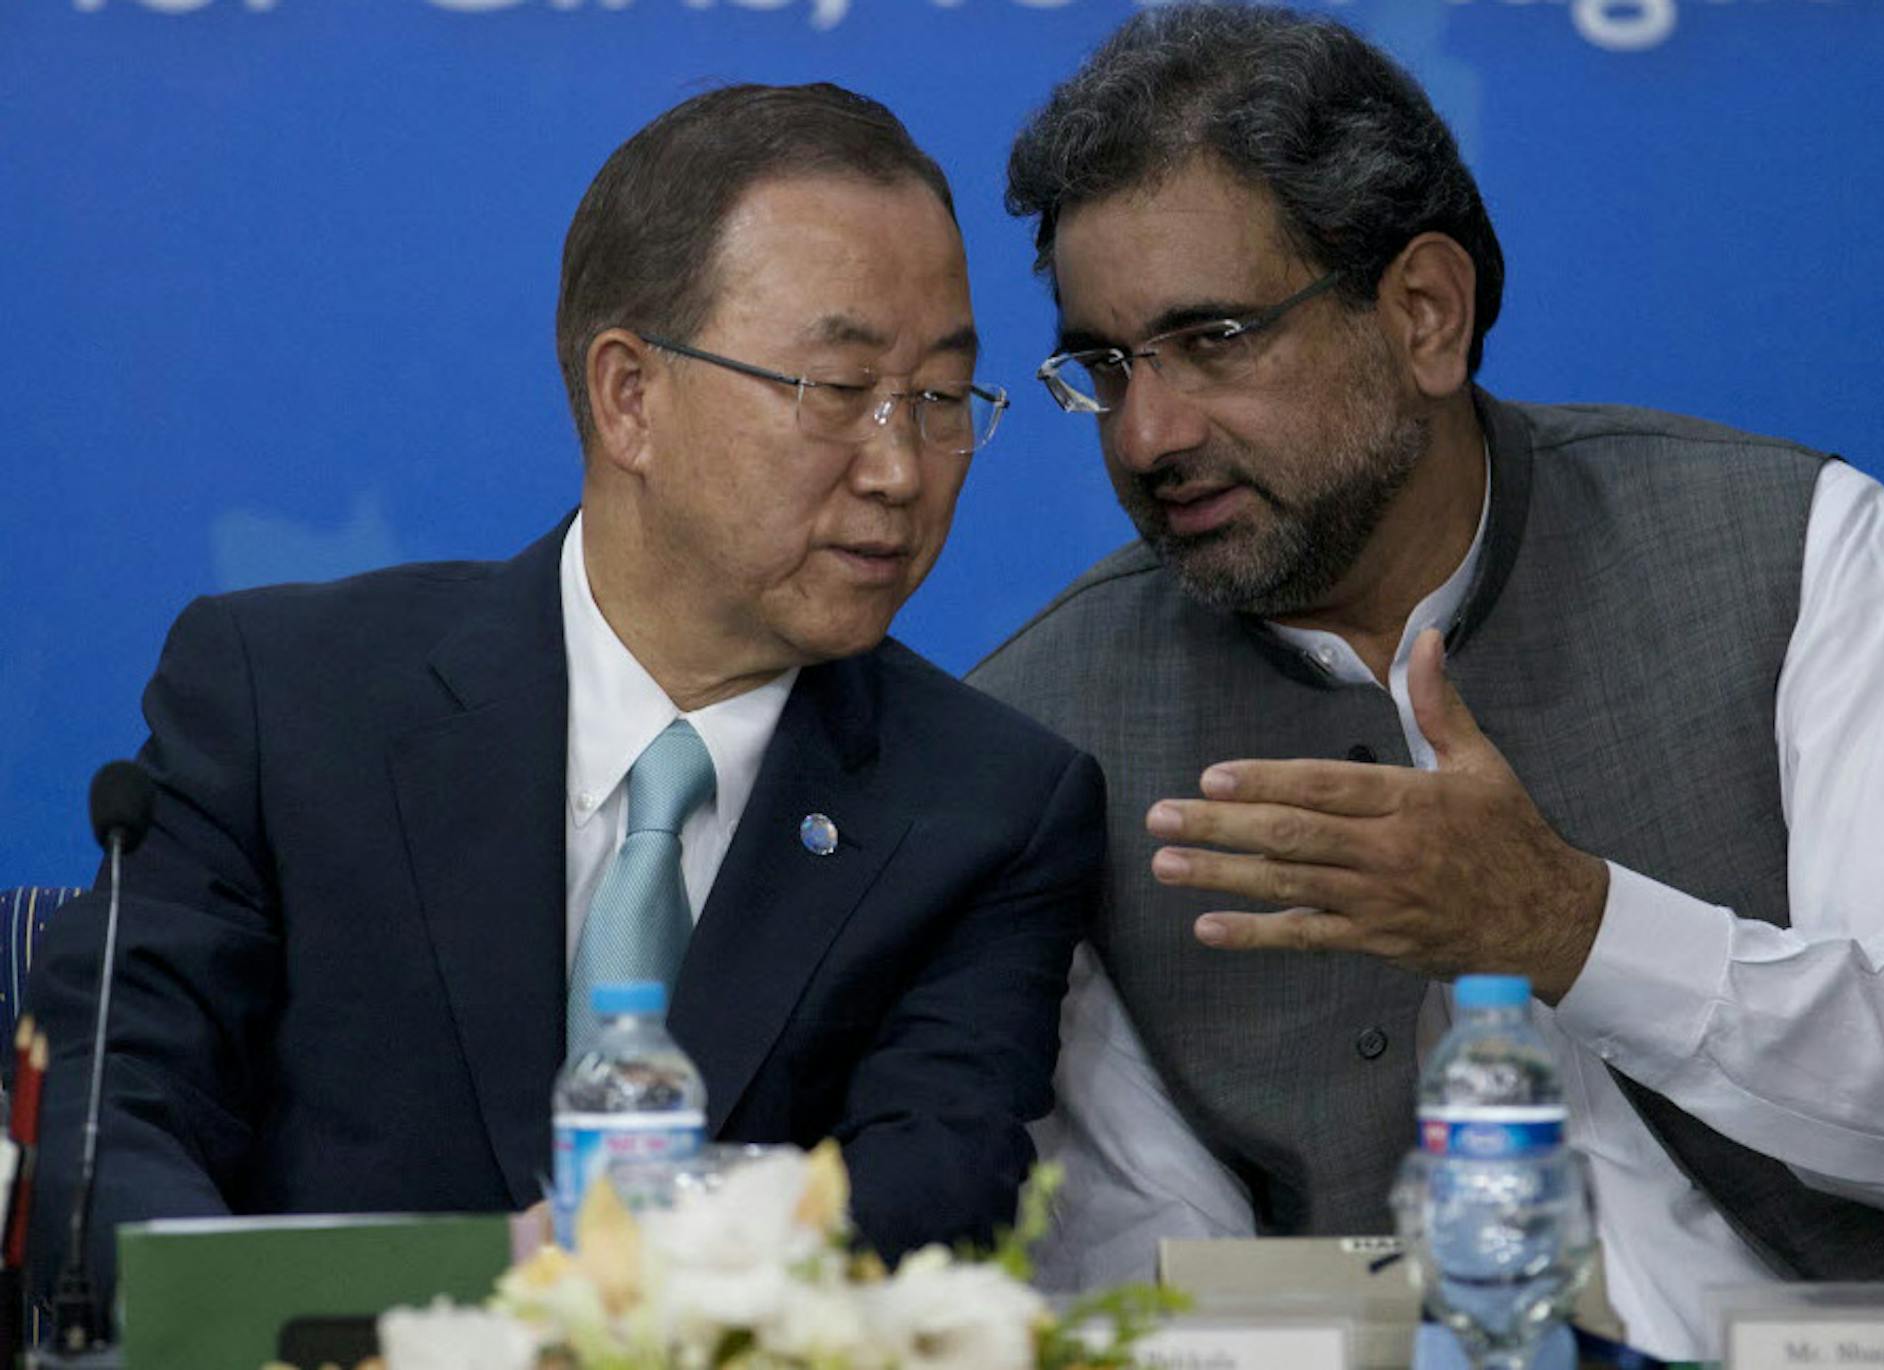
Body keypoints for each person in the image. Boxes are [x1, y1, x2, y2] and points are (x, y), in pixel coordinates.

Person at [967, 7, 1884, 1358]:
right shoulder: (1048, 725)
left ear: (1423, 313)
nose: (1151, 432)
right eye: (1108, 366)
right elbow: (1142, 1259)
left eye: (1218, 339)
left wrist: (1579, 929)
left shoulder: (1796, 548)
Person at [30, 83, 1103, 1300]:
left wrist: (606, 1287)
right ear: (629, 396)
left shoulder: (987, 808)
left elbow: (931, 1196)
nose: (901, 468)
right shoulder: (286, 701)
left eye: (943, 399)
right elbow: (101, 1113)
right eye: (837, 390)